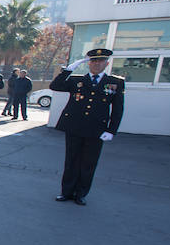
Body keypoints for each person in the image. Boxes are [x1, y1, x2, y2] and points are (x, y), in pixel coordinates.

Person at [50, 49, 124, 205]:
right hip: (75, 127)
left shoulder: (115, 83)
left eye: (100, 61)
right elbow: (55, 86)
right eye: (94, 61)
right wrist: (69, 69)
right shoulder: (76, 80)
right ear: (89, 63)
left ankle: (81, 194)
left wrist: (111, 130)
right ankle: (66, 192)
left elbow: (118, 109)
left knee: (89, 163)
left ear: (107, 63)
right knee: (71, 161)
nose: (97, 64)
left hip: (96, 130)